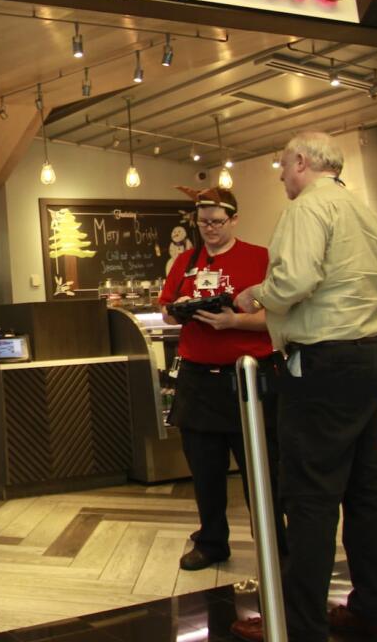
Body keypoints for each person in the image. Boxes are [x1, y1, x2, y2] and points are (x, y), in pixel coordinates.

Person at [232, 132, 377, 642]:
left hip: (324, 361)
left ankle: (297, 623)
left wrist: (252, 295)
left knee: (309, 494)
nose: (282, 176)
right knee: (368, 489)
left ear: (302, 162)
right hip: (372, 353)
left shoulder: (308, 209)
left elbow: (293, 283)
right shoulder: (362, 209)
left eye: (284, 166)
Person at [158, 187, 284, 572]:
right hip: (198, 377)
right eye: (202, 222)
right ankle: (211, 541)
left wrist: (234, 321)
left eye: (216, 222)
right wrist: (179, 311)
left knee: (261, 464)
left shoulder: (260, 258)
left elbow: (279, 315)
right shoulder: (185, 262)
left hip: (250, 375)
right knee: (205, 468)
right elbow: (164, 311)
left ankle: (276, 539)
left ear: (234, 219)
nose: (209, 229)